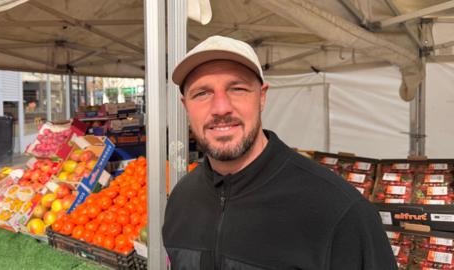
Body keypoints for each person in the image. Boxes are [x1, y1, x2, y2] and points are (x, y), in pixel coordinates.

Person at [162, 35, 397, 270]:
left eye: (238, 88)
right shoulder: (181, 200)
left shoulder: (339, 211)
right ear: (186, 106)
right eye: (202, 93)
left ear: (262, 97)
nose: (221, 108)